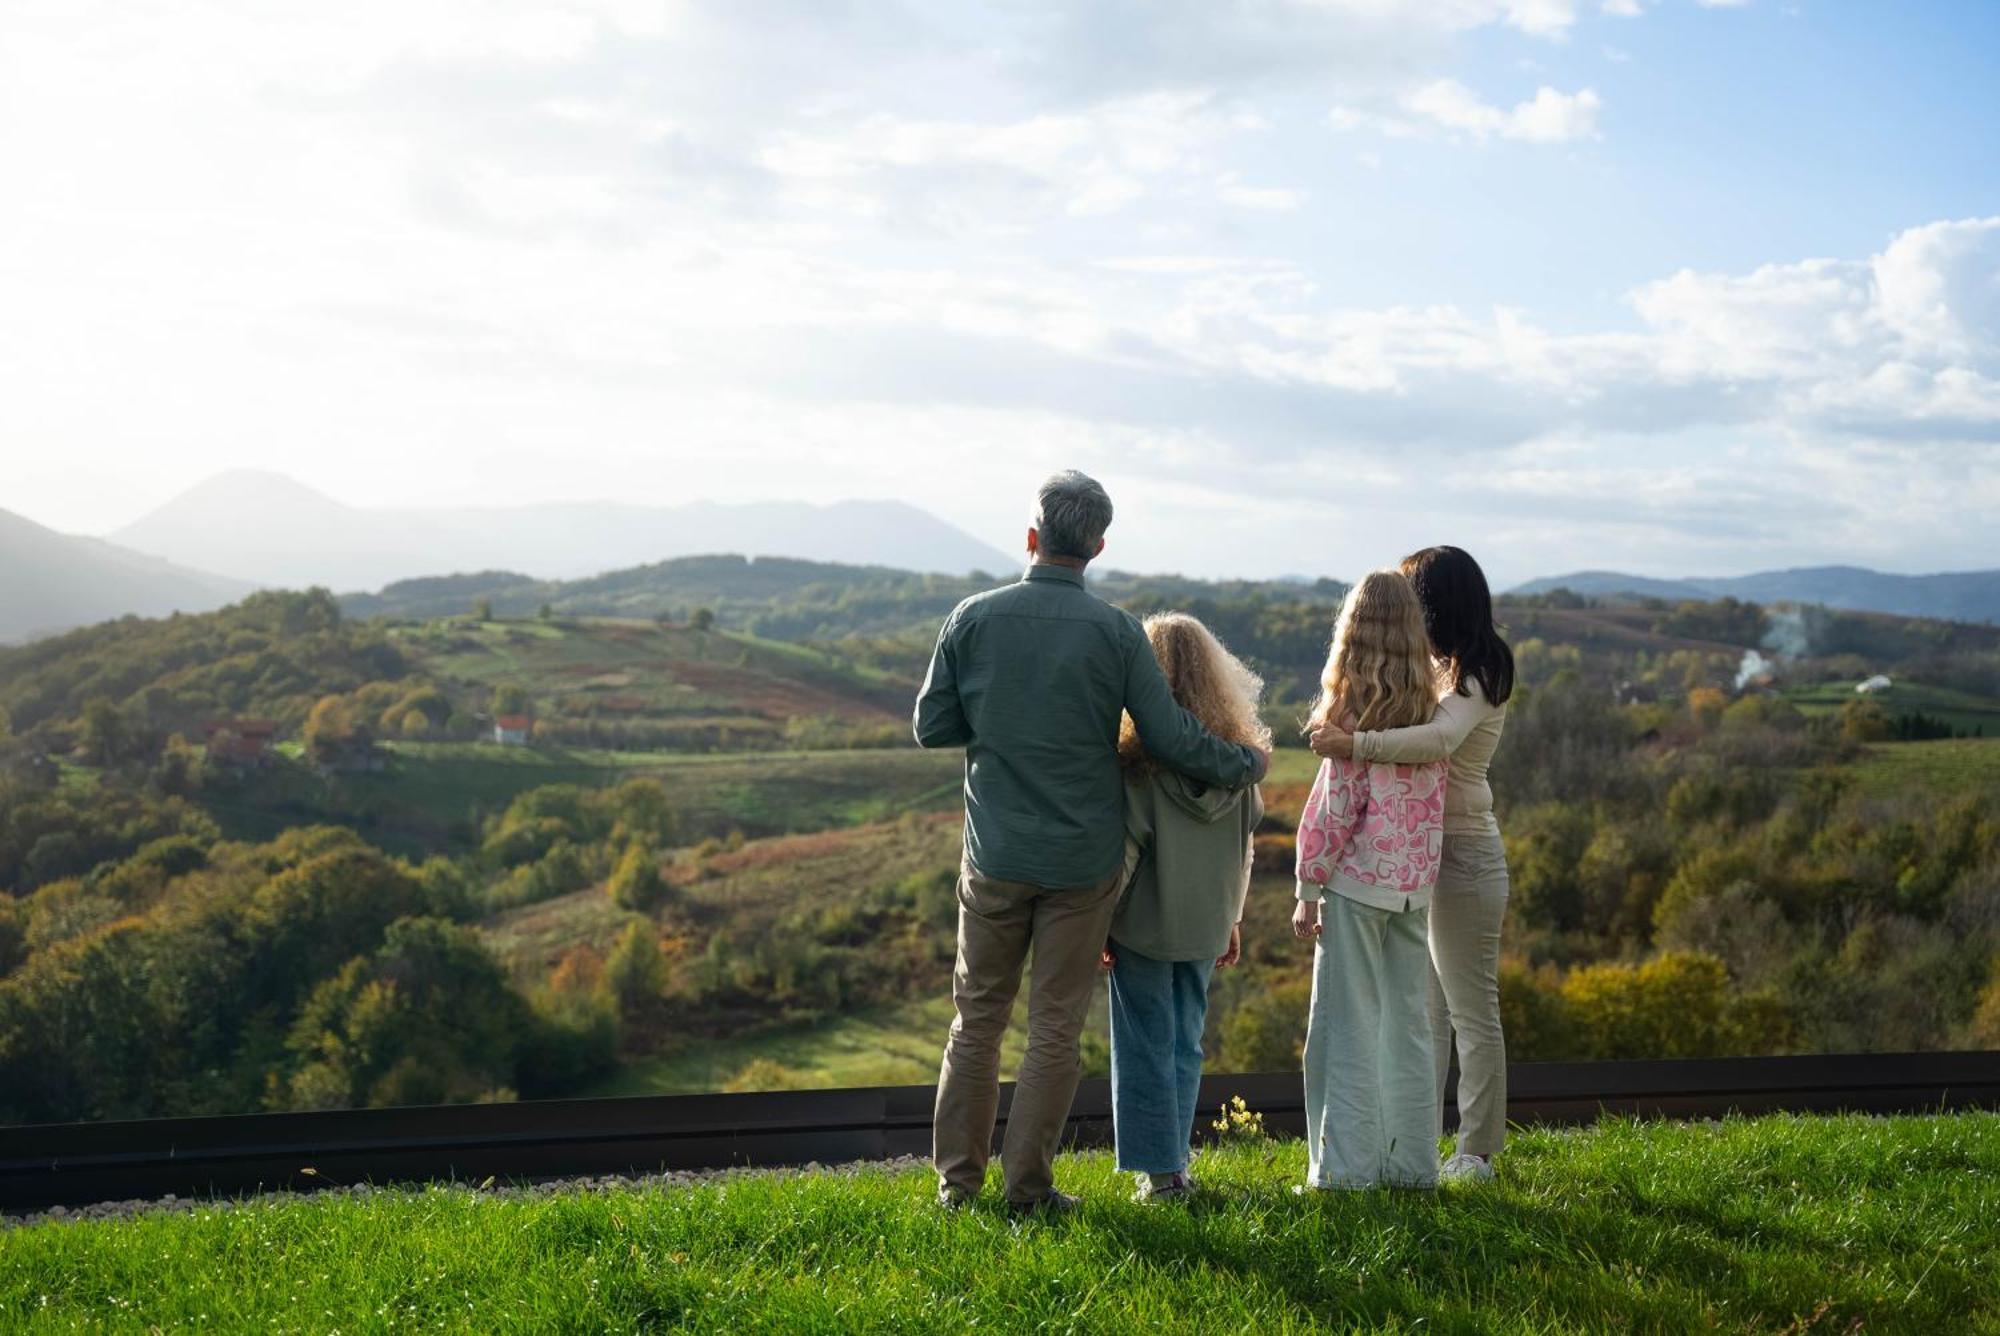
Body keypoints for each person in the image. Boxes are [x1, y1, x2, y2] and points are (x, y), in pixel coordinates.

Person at [915, 470, 1270, 1216]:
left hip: (996, 853)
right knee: (1054, 1027)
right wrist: (1244, 766)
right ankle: (1030, 1191)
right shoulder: (1114, 632)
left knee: (975, 1019)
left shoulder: (971, 618)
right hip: (1082, 865)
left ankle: (957, 1186)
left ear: (1032, 536)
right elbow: (1172, 737)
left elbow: (932, 727)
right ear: (1098, 545)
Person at [1310, 545, 1514, 1184]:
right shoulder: (1438, 668)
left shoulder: (1481, 672)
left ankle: (1477, 1151)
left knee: (1469, 1009)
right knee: (1422, 1012)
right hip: (1418, 851)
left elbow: (1436, 742)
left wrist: (1355, 744)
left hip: (1465, 853)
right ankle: (1412, 1146)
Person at [1292, 569, 1449, 1191]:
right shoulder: (1426, 706)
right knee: (1408, 1029)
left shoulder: (1350, 710)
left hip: (1357, 884)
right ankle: (1412, 1166)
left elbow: (1336, 809)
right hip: (1414, 885)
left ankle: (1346, 1171)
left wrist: (1308, 886)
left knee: (1344, 1030)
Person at [1104, 614, 1269, 1203]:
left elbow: (1122, 857)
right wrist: (1233, 919)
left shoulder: (1137, 771)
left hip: (1143, 927)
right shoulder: (1241, 769)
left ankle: (1162, 1172)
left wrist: (1099, 924)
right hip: (1207, 924)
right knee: (1185, 1041)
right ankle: (1176, 1165)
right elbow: (1245, 849)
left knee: (1144, 1042)